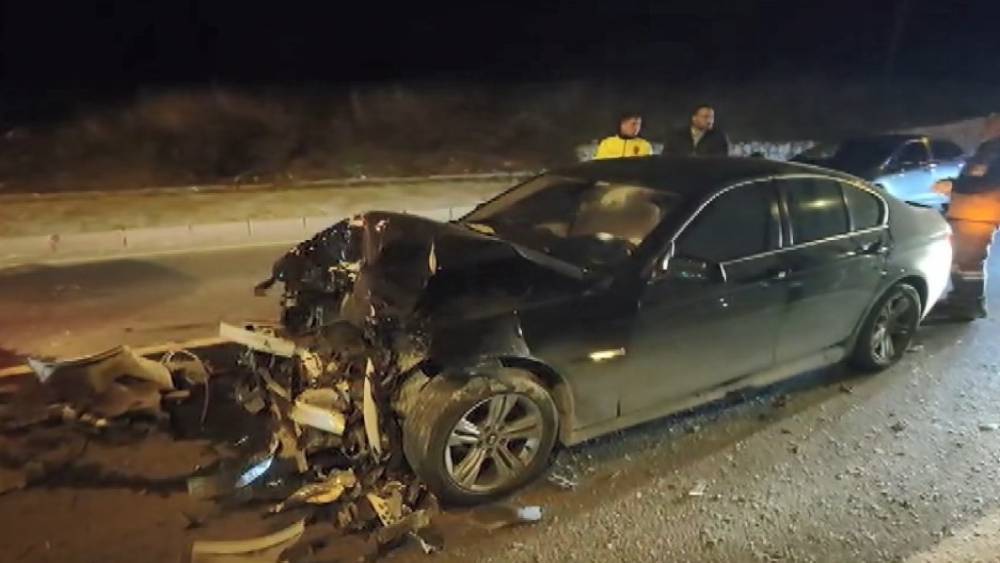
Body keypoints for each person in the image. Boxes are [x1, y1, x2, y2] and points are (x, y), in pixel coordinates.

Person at [934, 115, 1000, 320]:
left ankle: (968, 305)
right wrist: (953, 186)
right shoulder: (987, 149)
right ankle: (960, 300)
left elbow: (990, 182)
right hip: (968, 214)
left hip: (979, 215)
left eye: (991, 123)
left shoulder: (996, 150)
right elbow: (972, 178)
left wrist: (954, 185)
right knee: (961, 262)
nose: (985, 127)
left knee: (969, 263)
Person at [662, 104, 730, 157]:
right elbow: (666, 157)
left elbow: (723, 161)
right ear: (694, 118)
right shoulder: (676, 135)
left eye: (712, 117)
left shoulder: (720, 138)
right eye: (705, 117)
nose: (710, 121)